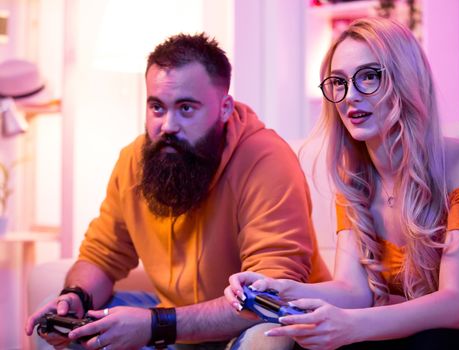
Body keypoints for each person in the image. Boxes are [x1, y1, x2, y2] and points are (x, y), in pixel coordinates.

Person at [225, 17, 459, 350]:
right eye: (338, 82)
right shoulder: (353, 180)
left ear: (405, 80)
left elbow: (455, 305)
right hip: (426, 337)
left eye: (369, 76)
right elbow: (353, 292)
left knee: (427, 343)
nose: (349, 96)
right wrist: (281, 288)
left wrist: (350, 326)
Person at [25, 33, 330, 349]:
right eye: (157, 107)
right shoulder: (135, 159)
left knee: (265, 340)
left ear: (224, 108)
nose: (168, 125)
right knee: (64, 322)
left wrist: (156, 325)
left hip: (255, 325)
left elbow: (269, 297)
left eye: (186, 108)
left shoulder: (267, 160)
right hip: (175, 326)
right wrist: (76, 295)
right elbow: (102, 255)